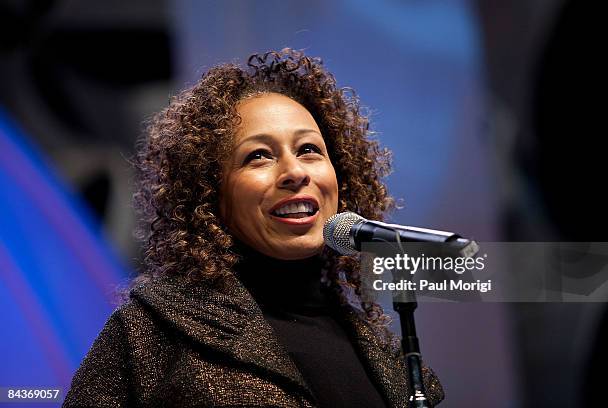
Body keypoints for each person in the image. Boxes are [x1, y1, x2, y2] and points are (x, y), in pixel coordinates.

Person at [63, 48, 444, 407]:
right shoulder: (154, 330)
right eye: (258, 156)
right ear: (210, 194)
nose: (295, 172)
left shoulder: (384, 356)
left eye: (309, 150)